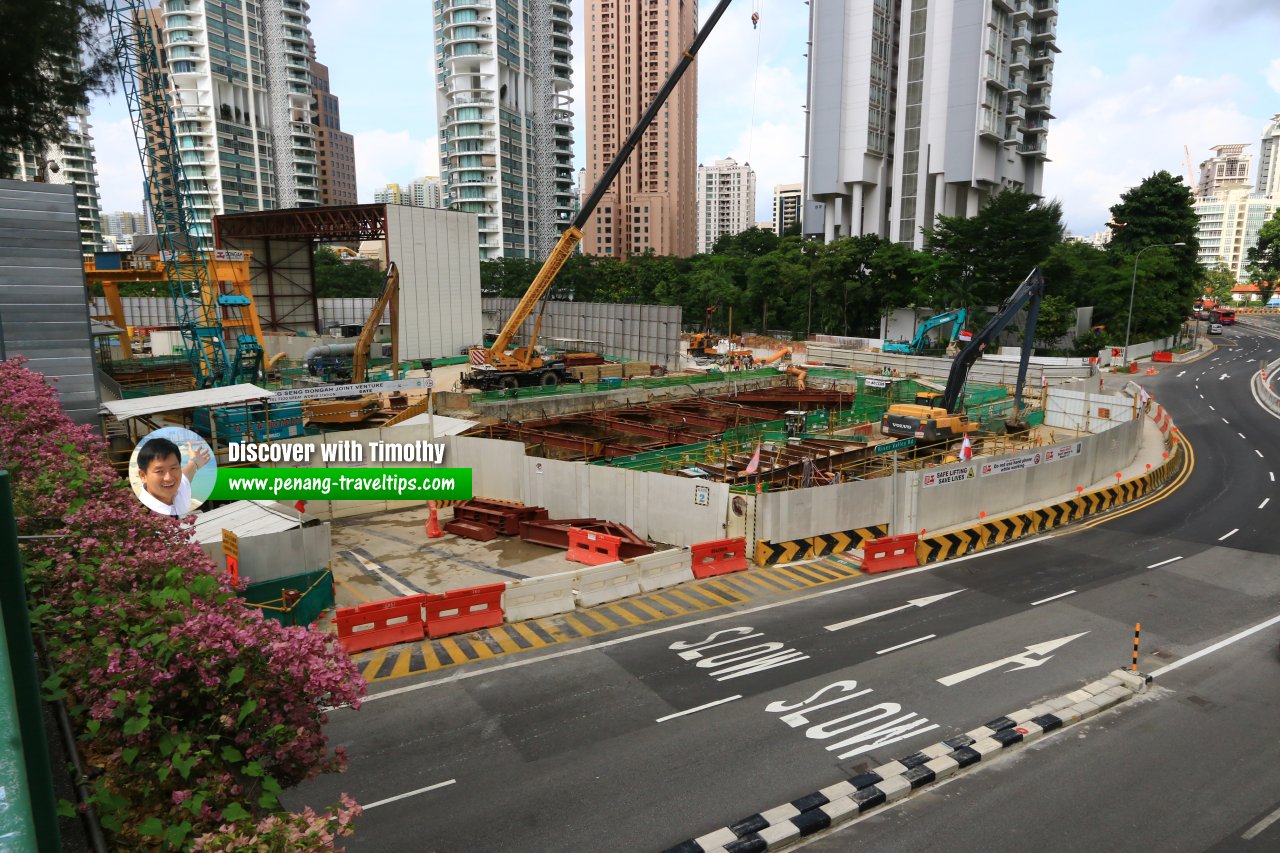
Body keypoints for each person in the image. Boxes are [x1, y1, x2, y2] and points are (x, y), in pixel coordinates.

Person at [135, 437, 211, 517]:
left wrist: (194, 462)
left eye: (173, 468)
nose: (169, 478)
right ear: (143, 476)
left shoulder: (179, 489)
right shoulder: (140, 517)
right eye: (159, 471)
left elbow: (186, 475)